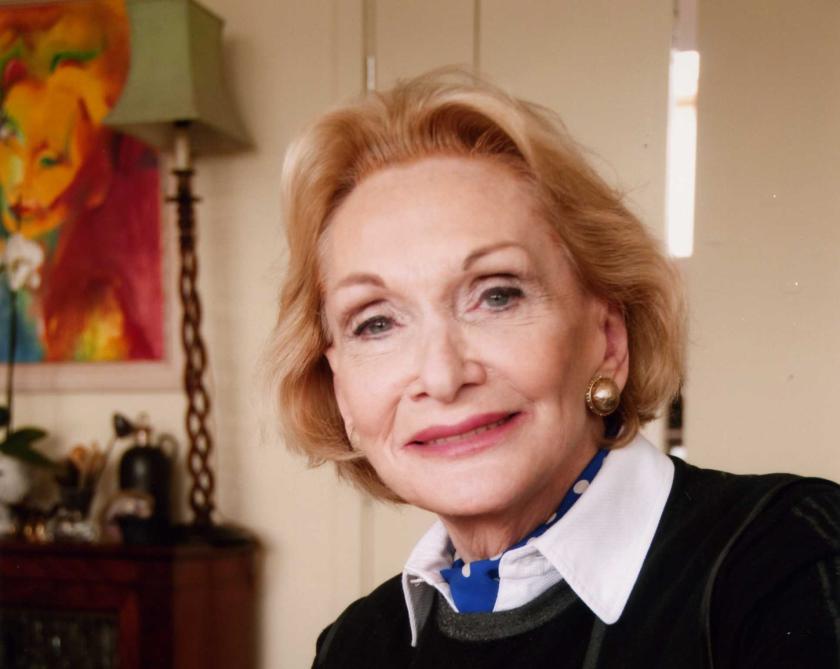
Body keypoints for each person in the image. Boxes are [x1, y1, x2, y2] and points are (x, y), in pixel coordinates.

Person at [266, 71, 840, 668]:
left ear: (607, 337)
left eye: (496, 295)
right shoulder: (356, 645)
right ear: (339, 388)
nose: (442, 376)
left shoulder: (794, 559)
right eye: (376, 323)